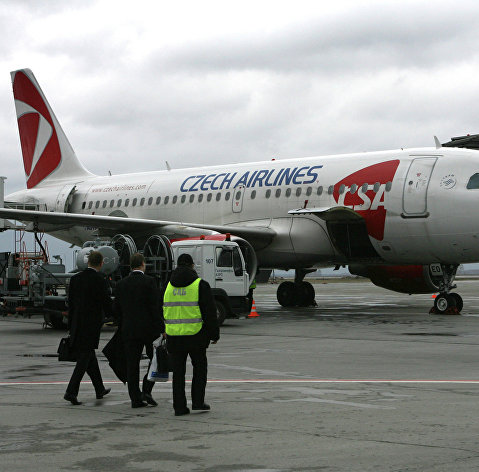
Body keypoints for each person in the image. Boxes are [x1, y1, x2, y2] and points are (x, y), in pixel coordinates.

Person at [162, 253, 219, 416]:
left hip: (174, 335)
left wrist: (165, 329)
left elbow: (163, 308)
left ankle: (179, 407)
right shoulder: (200, 285)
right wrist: (214, 334)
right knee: (200, 369)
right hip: (196, 335)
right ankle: (198, 402)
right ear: (192, 266)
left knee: (178, 373)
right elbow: (209, 313)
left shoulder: (167, 286)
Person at [113, 253, 164, 408]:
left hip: (129, 329)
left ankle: (135, 398)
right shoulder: (149, 282)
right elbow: (154, 308)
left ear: (130, 265)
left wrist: (122, 324)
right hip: (148, 329)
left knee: (132, 364)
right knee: (154, 360)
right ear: (143, 264)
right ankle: (147, 388)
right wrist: (161, 328)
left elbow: (117, 309)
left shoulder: (121, 284)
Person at [64, 251, 113, 405]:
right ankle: (71, 392)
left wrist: (71, 325)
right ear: (101, 263)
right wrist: (115, 316)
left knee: (89, 355)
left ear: (88, 262)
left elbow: (71, 304)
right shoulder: (100, 279)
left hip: (77, 323)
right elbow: (105, 301)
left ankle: (99, 389)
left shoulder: (75, 279)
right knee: (84, 358)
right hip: (91, 324)